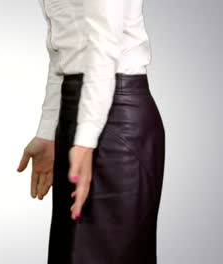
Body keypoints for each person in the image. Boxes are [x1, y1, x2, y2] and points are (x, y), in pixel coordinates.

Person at [18, 0, 165, 263]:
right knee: (70, 252)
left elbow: (104, 44)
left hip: (117, 120)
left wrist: (85, 140)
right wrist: (49, 133)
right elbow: (63, 52)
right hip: (77, 108)